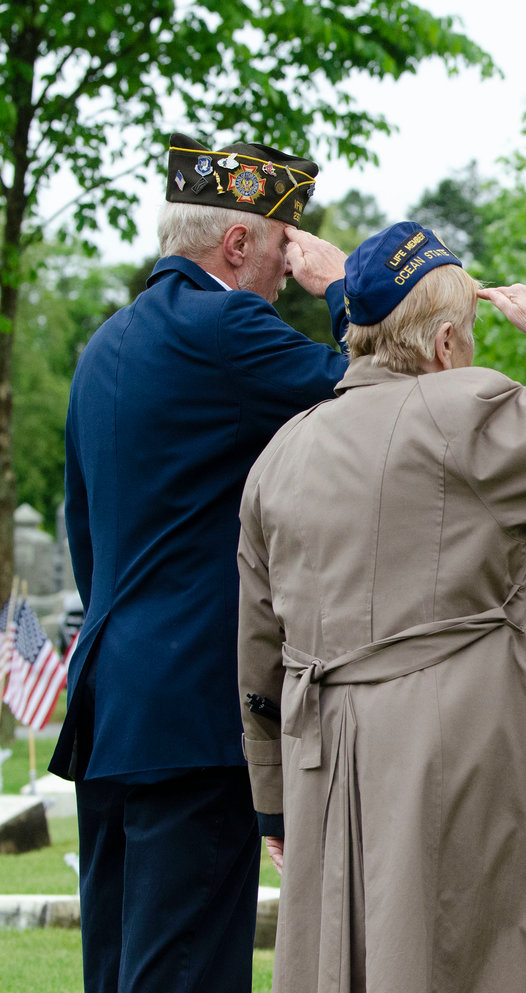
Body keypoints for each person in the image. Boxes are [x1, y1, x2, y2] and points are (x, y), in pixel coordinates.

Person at [237, 221, 526, 993]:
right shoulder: (462, 413)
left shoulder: (281, 453)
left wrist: (272, 807)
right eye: (465, 335)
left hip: (322, 764)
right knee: (480, 957)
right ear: (442, 345)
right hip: (463, 752)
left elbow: (258, 653)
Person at [57, 133, 351, 993]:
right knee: (186, 975)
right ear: (237, 245)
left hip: (114, 707)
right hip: (192, 714)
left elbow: (88, 540)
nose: (279, 274)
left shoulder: (103, 347)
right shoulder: (225, 323)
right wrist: (340, 291)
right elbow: (371, 400)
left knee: (118, 972)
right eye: (278, 249)